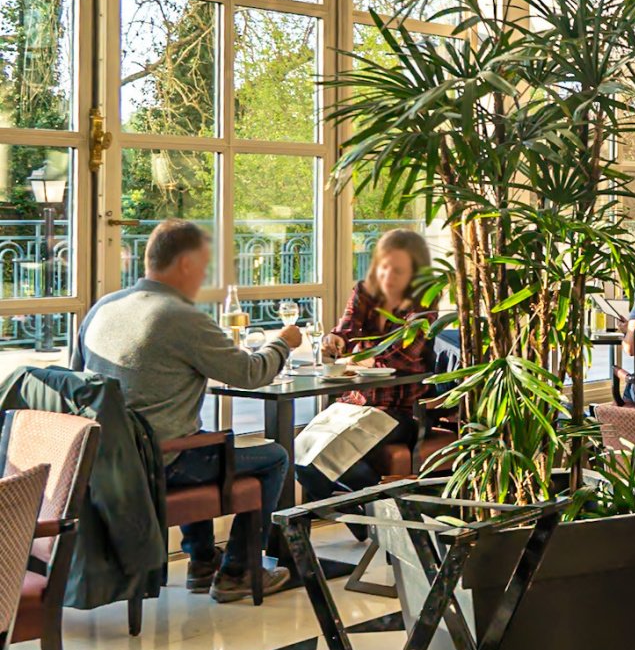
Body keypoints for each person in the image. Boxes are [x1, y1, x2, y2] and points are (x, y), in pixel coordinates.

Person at [77, 220, 299, 603]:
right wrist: (283, 342)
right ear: (184, 264)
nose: (204, 275)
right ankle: (238, 572)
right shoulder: (182, 317)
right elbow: (250, 373)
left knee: (198, 437)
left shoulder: (103, 307)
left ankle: (200, 560)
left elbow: (77, 380)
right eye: (203, 265)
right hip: (161, 463)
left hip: (107, 461)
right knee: (274, 457)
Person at [296, 228, 437, 501]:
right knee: (300, 453)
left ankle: (384, 516)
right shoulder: (364, 292)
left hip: (402, 412)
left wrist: (357, 359)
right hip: (355, 403)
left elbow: (400, 358)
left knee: (321, 460)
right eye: (383, 267)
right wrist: (333, 339)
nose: (387, 276)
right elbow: (345, 331)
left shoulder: (424, 305)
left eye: (398, 271)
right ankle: (375, 516)